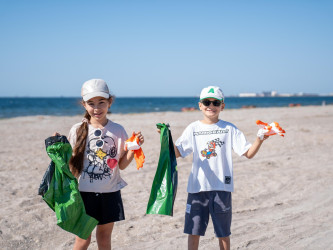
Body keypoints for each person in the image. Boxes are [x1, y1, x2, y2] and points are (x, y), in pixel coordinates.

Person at [173, 86, 268, 250]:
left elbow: (248, 153)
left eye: (215, 102)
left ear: (222, 106)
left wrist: (260, 139)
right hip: (197, 188)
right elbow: (176, 153)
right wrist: (165, 137)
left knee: (223, 233)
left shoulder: (229, 129)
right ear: (200, 105)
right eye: (206, 102)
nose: (211, 105)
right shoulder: (193, 128)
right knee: (194, 231)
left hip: (222, 189)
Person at [65, 79, 144, 250]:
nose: (96, 108)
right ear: (84, 105)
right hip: (83, 193)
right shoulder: (77, 129)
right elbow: (69, 165)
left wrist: (133, 148)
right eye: (91, 103)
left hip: (110, 193)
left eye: (101, 102)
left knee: (104, 237)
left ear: (110, 102)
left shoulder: (118, 130)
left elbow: (121, 165)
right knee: (82, 239)